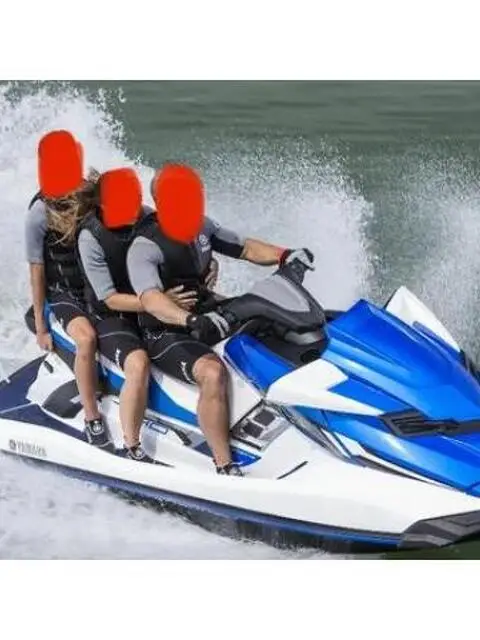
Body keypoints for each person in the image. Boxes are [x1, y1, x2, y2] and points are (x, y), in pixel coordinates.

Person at [126, 169, 315, 476]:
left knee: (273, 324)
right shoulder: (145, 246)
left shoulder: (203, 226)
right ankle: (224, 463)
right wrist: (190, 319)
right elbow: (150, 299)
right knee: (212, 373)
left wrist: (285, 255)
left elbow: (247, 248)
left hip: (207, 312)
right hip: (165, 330)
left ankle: (299, 417)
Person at [76, 171, 222, 463]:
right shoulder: (90, 237)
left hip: (157, 307)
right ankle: (131, 445)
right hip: (114, 314)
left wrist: (210, 263)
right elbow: (109, 298)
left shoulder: (147, 218)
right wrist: (160, 302)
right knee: (138, 363)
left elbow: (185, 249)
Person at [25, 173, 110, 449]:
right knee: (86, 339)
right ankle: (92, 418)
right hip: (64, 292)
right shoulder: (40, 213)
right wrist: (41, 327)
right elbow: (37, 271)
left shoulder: (90, 196)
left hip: (95, 285)